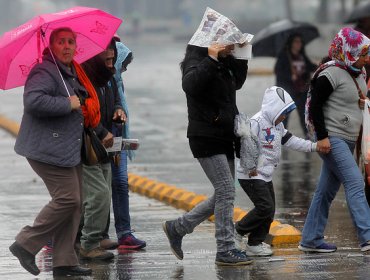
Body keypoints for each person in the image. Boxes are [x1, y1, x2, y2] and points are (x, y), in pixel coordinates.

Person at [9, 27, 93, 277]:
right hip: (46, 149)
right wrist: (67, 103)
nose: (67, 46)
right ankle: (25, 244)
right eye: (61, 42)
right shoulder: (44, 70)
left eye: (71, 42)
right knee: (68, 199)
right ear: (51, 46)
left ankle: (64, 263)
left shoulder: (68, 72)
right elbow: (33, 101)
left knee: (75, 205)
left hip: (66, 148)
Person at [162, 41, 252, 266]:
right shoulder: (196, 58)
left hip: (224, 135)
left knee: (224, 193)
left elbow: (237, 84)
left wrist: (241, 56)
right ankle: (225, 248)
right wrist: (211, 58)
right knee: (226, 191)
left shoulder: (224, 61)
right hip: (205, 136)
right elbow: (190, 85)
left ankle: (178, 228)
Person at [299, 27, 370, 253]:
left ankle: (310, 239)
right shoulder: (329, 73)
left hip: (347, 139)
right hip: (332, 138)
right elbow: (315, 107)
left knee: (326, 191)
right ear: (349, 52)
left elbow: (350, 100)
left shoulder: (360, 72)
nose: (367, 58)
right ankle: (367, 237)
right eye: (364, 53)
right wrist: (322, 137)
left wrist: (361, 104)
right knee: (355, 182)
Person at [234, 86, 317, 256]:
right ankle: (237, 231)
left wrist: (313, 146)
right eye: (283, 112)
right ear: (273, 109)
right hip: (250, 174)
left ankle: (255, 243)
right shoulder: (257, 122)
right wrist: (250, 167)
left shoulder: (277, 126)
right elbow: (246, 143)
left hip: (264, 174)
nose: (285, 116)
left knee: (269, 209)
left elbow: (291, 140)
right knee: (264, 207)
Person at [78, 40, 125, 260]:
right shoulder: (83, 79)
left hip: (106, 142)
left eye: (113, 53)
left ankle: (97, 236)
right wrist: (100, 130)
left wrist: (118, 110)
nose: (111, 56)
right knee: (96, 195)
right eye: (106, 52)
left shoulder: (108, 77)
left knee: (104, 190)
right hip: (89, 144)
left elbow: (115, 100)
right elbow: (85, 113)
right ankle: (87, 242)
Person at [104, 39, 146, 249]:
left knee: (120, 184)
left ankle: (124, 234)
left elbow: (117, 102)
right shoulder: (100, 78)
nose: (123, 68)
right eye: (123, 63)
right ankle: (58, 237)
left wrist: (119, 110)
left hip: (117, 138)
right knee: (97, 190)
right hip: (101, 139)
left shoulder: (116, 81)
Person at [274, 33, 317, 137]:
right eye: (296, 41)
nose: (299, 44)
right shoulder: (284, 56)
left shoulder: (302, 56)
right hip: (288, 92)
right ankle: (282, 136)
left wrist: (320, 66)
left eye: (300, 42)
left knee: (304, 115)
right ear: (291, 43)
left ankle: (307, 135)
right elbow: (278, 71)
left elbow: (310, 66)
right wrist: (290, 76)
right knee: (284, 116)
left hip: (301, 91)